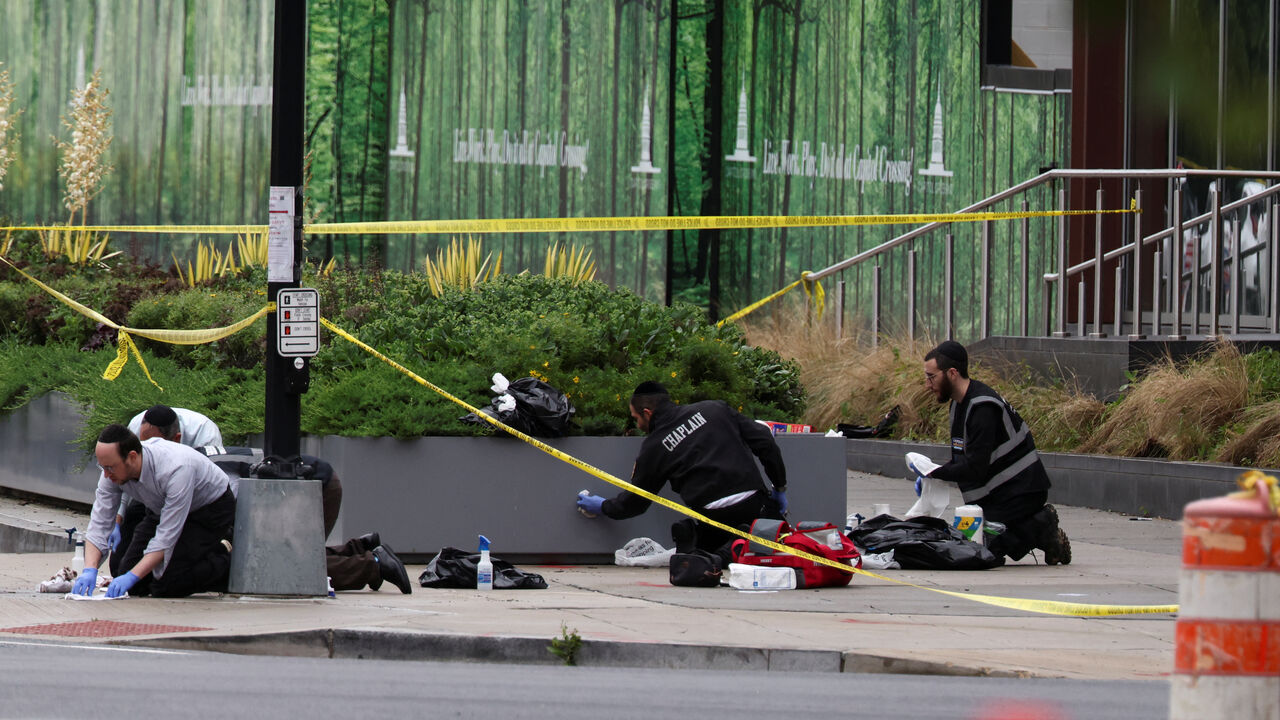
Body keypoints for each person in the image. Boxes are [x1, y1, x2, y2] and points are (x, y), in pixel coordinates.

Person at [575, 381, 788, 565]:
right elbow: (765, 441)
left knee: (707, 553)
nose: (637, 424)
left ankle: (711, 549)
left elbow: (636, 502)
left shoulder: (654, 446)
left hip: (712, 518)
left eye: (635, 418)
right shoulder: (715, 409)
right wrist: (779, 487)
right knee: (780, 542)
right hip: (753, 507)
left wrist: (602, 506)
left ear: (647, 413)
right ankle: (737, 547)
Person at [917, 340, 1071, 565]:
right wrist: (933, 473)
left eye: (932, 377)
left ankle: (1043, 525)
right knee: (970, 544)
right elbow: (965, 458)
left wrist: (936, 472)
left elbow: (974, 468)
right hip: (1000, 495)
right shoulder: (959, 404)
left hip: (1022, 491)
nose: (928, 384)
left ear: (952, 373)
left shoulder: (982, 408)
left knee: (984, 553)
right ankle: (1032, 531)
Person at [72, 424, 237, 598]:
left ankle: (223, 555)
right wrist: (90, 569)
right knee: (134, 585)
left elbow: (166, 537)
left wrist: (132, 575)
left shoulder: (177, 468)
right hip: (161, 507)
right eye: (102, 467)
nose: (106, 475)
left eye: (110, 468)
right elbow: (100, 521)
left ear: (132, 457)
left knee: (167, 584)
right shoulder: (111, 469)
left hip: (209, 510)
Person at [108, 405, 225, 577]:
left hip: (196, 503)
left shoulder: (204, 434)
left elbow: (173, 521)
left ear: (177, 439)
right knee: (119, 568)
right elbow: (123, 478)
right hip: (152, 496)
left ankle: (220, 552)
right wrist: (117, 521)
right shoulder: (135, 427)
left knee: (170, 574)